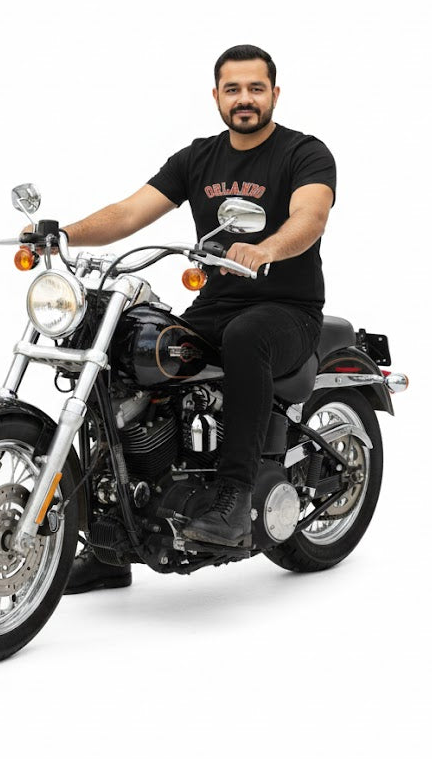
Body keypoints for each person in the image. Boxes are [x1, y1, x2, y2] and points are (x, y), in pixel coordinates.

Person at [61, 44, 336, 594]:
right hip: (213, 307)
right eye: (233, 89)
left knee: (246, 336)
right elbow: (129, 212)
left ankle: (234, 500)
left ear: (274, 94)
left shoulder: (304, 152)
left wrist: (266, 249)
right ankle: (110, 542)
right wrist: (63, 234)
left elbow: (310, 216)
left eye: (255, 88)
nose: (244, 99)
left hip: (286, 309)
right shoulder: (198, 158)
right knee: (123, 344)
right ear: (216, 96)